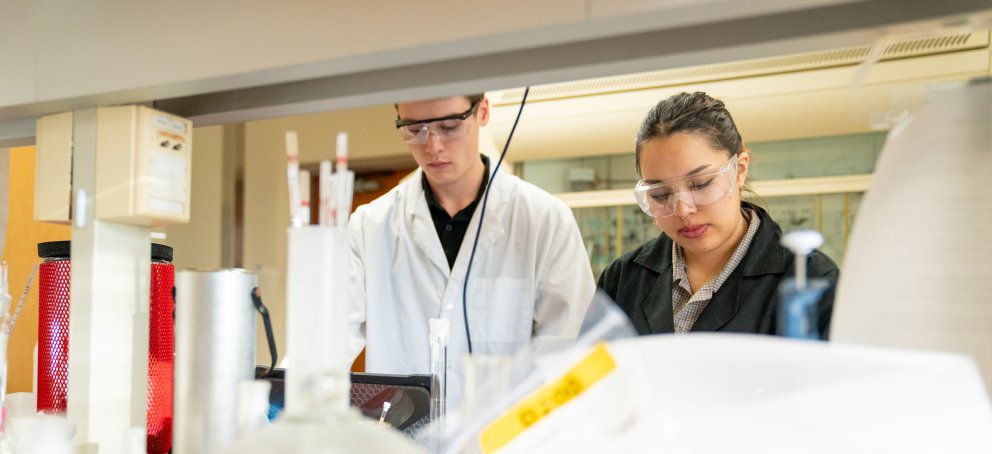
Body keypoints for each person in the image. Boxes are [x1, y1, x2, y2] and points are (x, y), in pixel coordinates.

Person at [348, 94, 595, 408]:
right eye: (414, 130)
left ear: (483, 112)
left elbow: (569, 352)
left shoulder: (544, 219)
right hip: (402, 440)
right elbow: (325, 342)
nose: (433, 146)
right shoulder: (369, 225)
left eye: (449, 126)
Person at [598, 92, 839, 337]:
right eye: (660, 194)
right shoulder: (622, 279)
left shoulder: (811, 280)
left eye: (700, 184)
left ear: (739, 170)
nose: (683, 210)